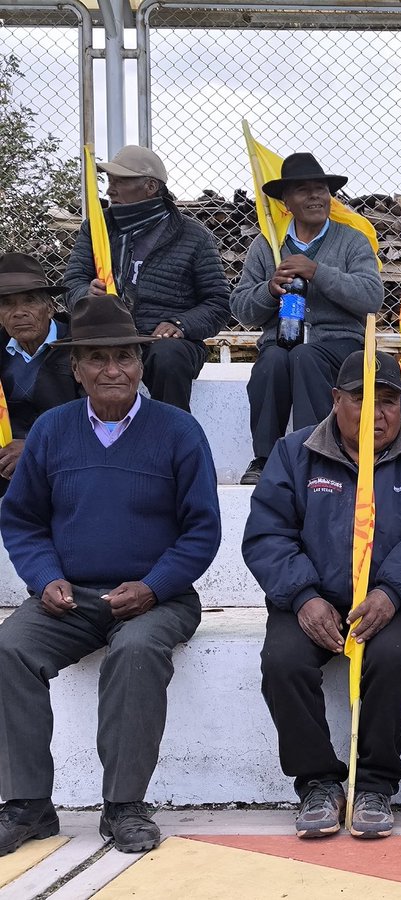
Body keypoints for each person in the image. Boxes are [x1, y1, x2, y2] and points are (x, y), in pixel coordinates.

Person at [0, 295, 221, 856]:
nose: (112, 370)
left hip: (158, 597)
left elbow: (201, 531)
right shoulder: (51, 431)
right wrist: (46, 576)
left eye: (124, 356)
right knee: (9, 648)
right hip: (68, 598)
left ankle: (123, 806)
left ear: (141, 364)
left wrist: (152, 587)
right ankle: (27, 804)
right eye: (97, 359)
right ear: (76, 370)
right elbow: (22, 520)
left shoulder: (178, 431)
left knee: (138, 651)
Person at [243, 350, 401, 841]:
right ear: (336, 399)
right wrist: (302, 596)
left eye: (389, 401)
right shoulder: (293, 452)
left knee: (393, 658)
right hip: (312, 596)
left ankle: (375, 784)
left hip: (394, 600)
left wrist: (391, 592)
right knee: (283, 662)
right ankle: (318, 782)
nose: (377, 414)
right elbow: (268, 535)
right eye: (363, 400)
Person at [231, 152, 384, 485]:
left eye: (321, 189)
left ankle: (317, 454)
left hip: (338, 343)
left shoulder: (351, 241)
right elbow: (241, 309)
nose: (316, 196)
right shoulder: (266, 246)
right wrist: (269, 290)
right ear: (286, 201)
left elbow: (371, 296)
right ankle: (266, 459)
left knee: (305, 356)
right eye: (303, 190)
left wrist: (317, 272)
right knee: (271, 361)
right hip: (281, 342)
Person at [62, 145, 231, 412]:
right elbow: (72, 282)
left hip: (162, 340)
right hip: (105, 333)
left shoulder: (193, 235)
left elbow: (219, 302)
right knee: (66, 359)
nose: (109, 190)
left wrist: (180, 324)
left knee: (168, 357)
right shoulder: (96, 226)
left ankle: (172, 442)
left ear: (150, 186)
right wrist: (85, 293)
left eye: (119, 181)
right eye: (109, 181)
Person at [0, 254, 81, 492]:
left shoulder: (80, 345)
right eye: (7, 303)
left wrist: (34, 446)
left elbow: (96, 415)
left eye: (30, 301)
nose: (19, 312)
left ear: (50, 308)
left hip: (65, 453)